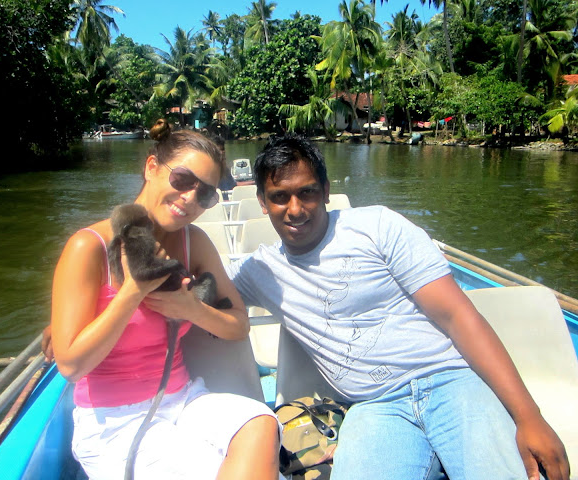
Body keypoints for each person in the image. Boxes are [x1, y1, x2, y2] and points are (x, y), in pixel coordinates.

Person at [225, 134, 570, 480]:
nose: (295, 209)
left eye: (307, 192)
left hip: (452, 380)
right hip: (374, 406)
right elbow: (203, 286)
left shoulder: (377, 226)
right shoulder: (260, 271)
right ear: (262, 202)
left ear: (326, 191)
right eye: (279, 197)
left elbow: (457, 316)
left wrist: (529, 417)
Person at [49, 119, 280, 480]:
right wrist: (133, 291)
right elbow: (71, 366)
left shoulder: (193, 242)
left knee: (261, 423)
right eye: (182, 179)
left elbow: (238, 325)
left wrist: (192, 309)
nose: (189, 199)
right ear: (152, 167)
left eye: (205, 194)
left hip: (184, 400)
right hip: (115, 421)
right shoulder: (88, 247)